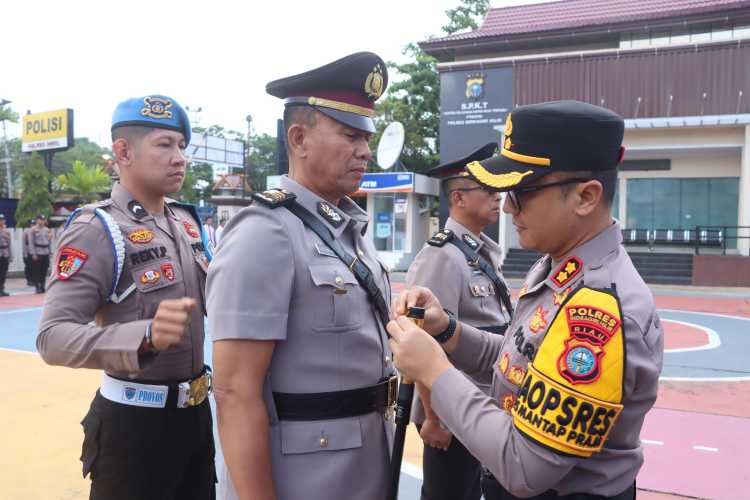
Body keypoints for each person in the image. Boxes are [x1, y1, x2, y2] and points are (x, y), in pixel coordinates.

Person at [387, 100, 664, 500]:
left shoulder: (597, 308)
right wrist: (447, 332)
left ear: (585, 197)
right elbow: (520, 360)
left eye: (522, 192)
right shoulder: (559, 264)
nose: (509, 207)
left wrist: (433, 370)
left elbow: (524, 466)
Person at [207, 52, 395, 500]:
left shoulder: (349, 230)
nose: (365, 149)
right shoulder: (266, 232)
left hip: (366, 460)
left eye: (366, 136)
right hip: (308, 479)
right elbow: (234, 391)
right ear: (299, 138)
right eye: (350, 134)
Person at [36, 94, 215, 500]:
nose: (179, 158)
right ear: (123, 151)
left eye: (182, 147)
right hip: (134, 427)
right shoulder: (97, 228)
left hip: (196, 420)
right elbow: (52, 338)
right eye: (164, 145)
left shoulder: (186, 224)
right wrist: (144, 335)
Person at [406, 142, 511, 500]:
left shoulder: (480, 251)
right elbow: (422, 344)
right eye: (488, 189)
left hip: (479, 406)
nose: (498, 196)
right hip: (452, 414)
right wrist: (435, 419)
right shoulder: (443, 256)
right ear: (459, 198)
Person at [28, 214, 52, 293]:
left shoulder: (47, 230)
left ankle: (42, 285)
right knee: (37, 271)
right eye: (40, 219)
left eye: (43, 219)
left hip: (45, 252)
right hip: (37, 252)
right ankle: (37, 286)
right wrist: (33, 254)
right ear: (37, 220)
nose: (42, 221)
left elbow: (49, 242)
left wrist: (49, 252)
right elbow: (31, 242)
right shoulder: (33, 230)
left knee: (44, 270)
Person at [0, 214, 11, 296]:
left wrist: (10, 254)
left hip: (5, 253)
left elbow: (9, 244)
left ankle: (2, 289)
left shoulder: (7, 231)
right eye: (0, 220)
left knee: (3, 273)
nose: (1, 221)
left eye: (3, 220)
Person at [22, 219, 33, 286]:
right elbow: (24, 243)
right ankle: (29, 280)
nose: (32, 225)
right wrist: (25, 253)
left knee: (34, 267)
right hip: (28, 251)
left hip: (34, 252)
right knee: (28, 267)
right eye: (31, 224)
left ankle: (34, 280)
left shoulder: (34, 230)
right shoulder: (26, 231)